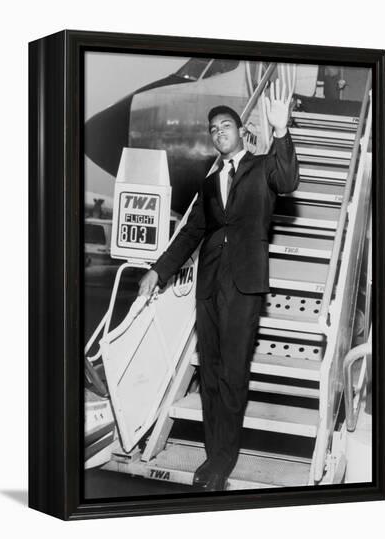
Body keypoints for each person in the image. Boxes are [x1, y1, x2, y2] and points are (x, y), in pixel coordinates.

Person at [138, 79, 299, 491]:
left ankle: (225, 459)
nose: (218, 133)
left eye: (225, 126)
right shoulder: (209, 184)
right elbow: (192, 233)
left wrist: (281, 131)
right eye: (213, 130)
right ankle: (213, 455)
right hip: (208, 284)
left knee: (232, 371)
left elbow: (288, 181)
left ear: (241, 131)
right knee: (209, 373)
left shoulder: (263, 167)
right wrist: (158, 270)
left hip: (244, 284)